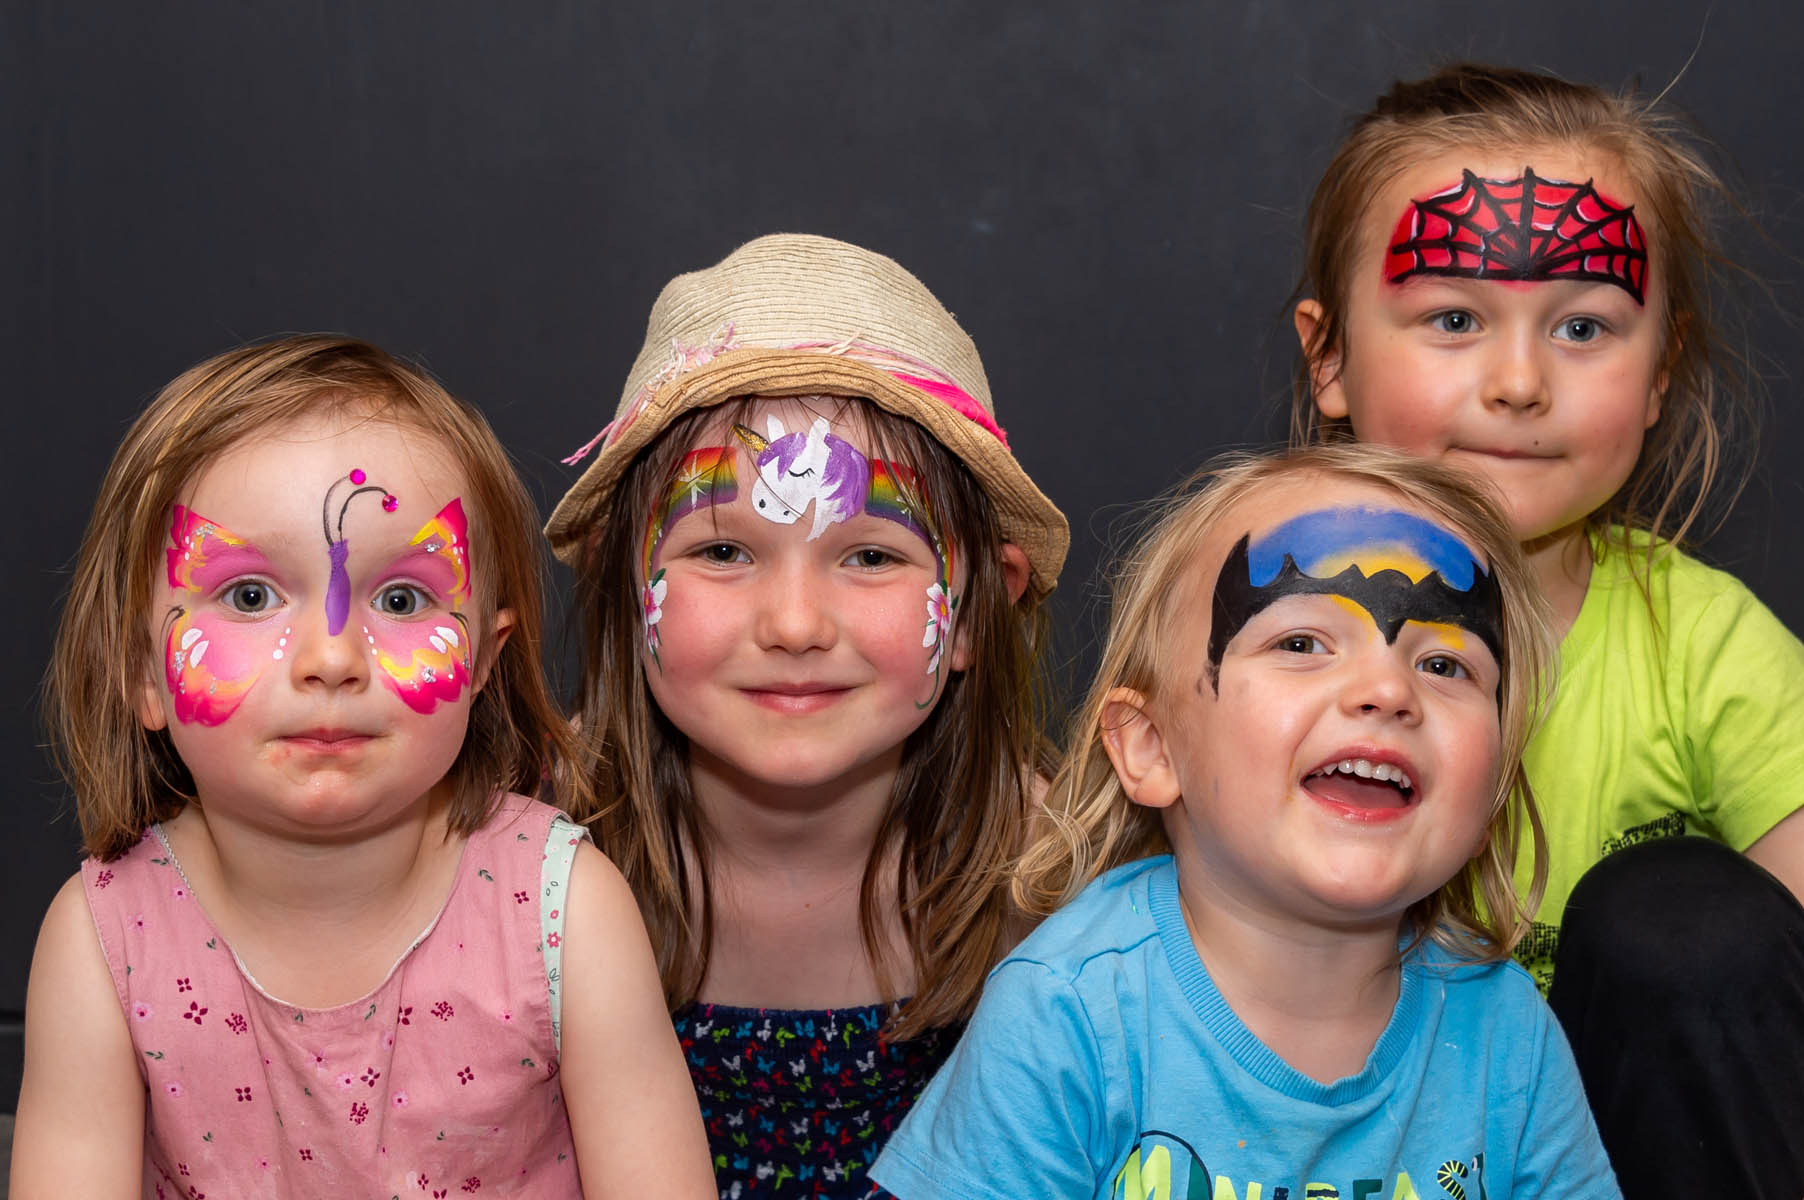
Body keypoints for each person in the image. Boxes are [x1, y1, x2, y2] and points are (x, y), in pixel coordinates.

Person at [13, 336, 716, 1199]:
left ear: (484, 664)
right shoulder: (101, 941)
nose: (333, 657)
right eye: (248, 595)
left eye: (402, 599)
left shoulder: (566, 912)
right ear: (138, 669)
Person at [1289, 63, 1804, 1197]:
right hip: (1342, 1154)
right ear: (1328, 357)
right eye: (1456, 317)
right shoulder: (1246, 626)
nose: (1519, 382)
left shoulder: (1703, 644)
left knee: (1681, 920)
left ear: (1660, 371)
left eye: (1581, 325)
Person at [871, 444, 1616, 1198]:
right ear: (1152, 747)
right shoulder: (1069, 1013)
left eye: (1445, 666)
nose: (1389, 690)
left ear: (1490, 791)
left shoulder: (1507, 1036)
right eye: (1301, 643)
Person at [543, 233, 1067, 1198]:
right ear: (630, 590)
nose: (792, 625)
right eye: (724, 553)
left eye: (871, 556)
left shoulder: (1049, 881)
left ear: (973, 613)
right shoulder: (527, 864)